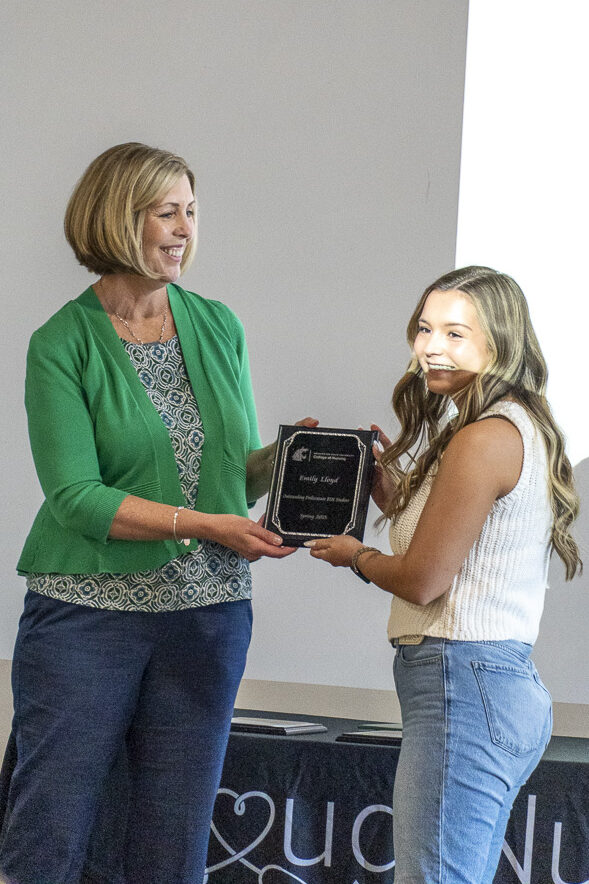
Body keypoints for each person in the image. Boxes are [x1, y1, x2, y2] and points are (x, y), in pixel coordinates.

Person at [0, 141, 316, 884]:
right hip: (87, 619)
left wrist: (302, 456)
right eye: (165, 212)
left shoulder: (216, 325)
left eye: (192, 213)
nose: (183, 229)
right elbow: (76, 499)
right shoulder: (61, 342)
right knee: (51, 829)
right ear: (117, 219)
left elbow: (229, 485)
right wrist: (202, 526)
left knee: (172, 844)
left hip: (205, 619)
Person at [306, 266, 582, 884]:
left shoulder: (484, 436)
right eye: (426, 328)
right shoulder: (506, 426)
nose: (431, 346)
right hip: (489, 685)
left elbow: (425, 580)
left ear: (500, 344)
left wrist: (355, 554)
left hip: (463, 682)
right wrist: (387, 492)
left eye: (456, 334)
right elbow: (454, 543)